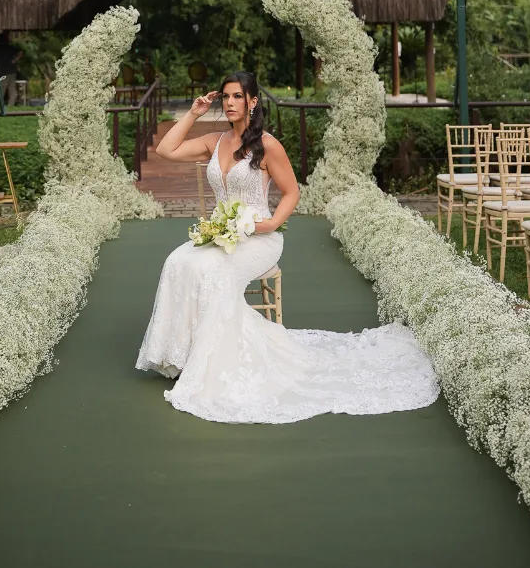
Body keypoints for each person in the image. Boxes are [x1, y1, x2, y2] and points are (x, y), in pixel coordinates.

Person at [136, 71, 438, 424]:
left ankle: (219, 362)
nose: (230, 103)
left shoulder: (267, 145)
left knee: (211, 271)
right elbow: (165, 149)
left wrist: (269, 224)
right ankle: (181, 355)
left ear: (252, 102)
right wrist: (193, 114)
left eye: (237, 97)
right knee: (177, 261)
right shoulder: (212, 141)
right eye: (225, 97)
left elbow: (292, 192)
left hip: (259, 238)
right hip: (222, 234)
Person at [0, 30, 22, 106]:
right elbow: (20, 52)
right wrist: (15, 60)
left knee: (1, 91)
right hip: (10, 72)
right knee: (12, 91)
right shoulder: (9, 48)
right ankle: (10, 107)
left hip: (2, 73)